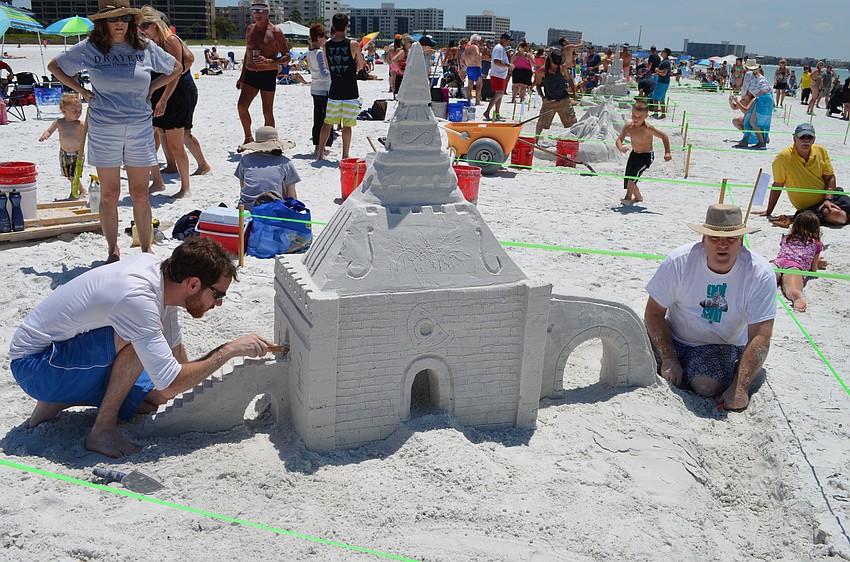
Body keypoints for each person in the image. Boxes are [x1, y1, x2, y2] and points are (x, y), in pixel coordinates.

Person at [8, 237, 275, 457]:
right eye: (218, 295)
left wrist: (189, 391)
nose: (218, 304)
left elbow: (173, 364)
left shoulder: (162, 275)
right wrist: (228, 350)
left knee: (155, 400)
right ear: (193, 284)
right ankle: (101, 431)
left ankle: (57, 400)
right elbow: (170, 381)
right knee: (138, 344)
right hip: (36, 366)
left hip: (58, 353)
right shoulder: (139, 300)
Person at [48, 0, 182, 263]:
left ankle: (146, 250)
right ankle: (113, 250)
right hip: (104, 128)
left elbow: (176, 68)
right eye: (112, 19)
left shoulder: (144, 46)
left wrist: (154, 88)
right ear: (102, 22)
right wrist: (83, 91)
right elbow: (55, 66)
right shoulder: (91, 47)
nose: (119, 24)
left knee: (140, 193)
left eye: (124, 19)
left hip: (139, 129)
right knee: (109, 194)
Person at [645, 204, 776, 411]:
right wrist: (669, 357)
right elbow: (653, 313)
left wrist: (740, 387)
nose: (722, 245)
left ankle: (711, 375)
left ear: (741, 242)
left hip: (720, 346)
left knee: (707, 386)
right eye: (714, 238)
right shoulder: (678, 261)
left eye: (730, 239)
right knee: (638, 358)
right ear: (703, 240)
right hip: (674, 336)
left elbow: (761, 335)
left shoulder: (760, 273)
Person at [139, 6, 194, 199]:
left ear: (156, 24)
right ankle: (158, 182)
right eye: (139, 26)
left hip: (174, 95)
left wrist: (162, 99)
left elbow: (175, 73)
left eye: (145, 25)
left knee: (175, 145)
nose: (142, 29)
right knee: (148, 140)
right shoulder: (150, 43)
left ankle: (185, 187)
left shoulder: (170, 40)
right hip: (157, 95)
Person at [755, 123, 848, 226]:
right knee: (839, 216)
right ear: (795, 139)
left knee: (842, 213)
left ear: (814, 139)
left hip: (830, 196)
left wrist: (828, 199)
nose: (806, 140)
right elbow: (778, 185)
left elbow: (830, 177)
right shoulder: (783, 157)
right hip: (810, 207)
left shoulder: (821, 151)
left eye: (810, 137)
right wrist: (769, 211)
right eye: (802, 137)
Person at [236, 0, 290, 149]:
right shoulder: (250, 29)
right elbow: (247, 54)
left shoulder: (275, 31)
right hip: (251, 74)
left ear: (267, 12)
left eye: (260, 10)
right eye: (254, 10)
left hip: (267, 74)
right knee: (242, 107)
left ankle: (271, 142)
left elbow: (287, 56)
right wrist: (242, 76)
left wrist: (269, 61)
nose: (257, 14)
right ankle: (248, 138)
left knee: (267, 111)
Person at [315, 13, 365, 161]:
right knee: (347, 125)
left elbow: (329, 67)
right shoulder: (353, 44)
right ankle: (345, 154)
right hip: (350, 90)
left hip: (334, 89)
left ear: (333, 26)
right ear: (346, 27)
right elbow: (361, 65)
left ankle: (320, 154)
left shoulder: (326, 45)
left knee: (328, 122)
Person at [615, 100, 672, 204]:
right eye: (634, 115)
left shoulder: (648, 128)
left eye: (639, 117)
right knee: (628, 179)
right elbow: (619, 139)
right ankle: (638, 197)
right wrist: (620, 147)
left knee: (633, 175)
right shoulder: (629, 126)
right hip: (634, 154)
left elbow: (664, 136)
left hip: (646, 156)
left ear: (646, 116)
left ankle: (627, 197)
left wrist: (667, 152)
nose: (636, 119)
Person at [771, 210, 823, 312]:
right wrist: (818, 264)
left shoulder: (786, 238)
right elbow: (813, 270)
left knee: (768, 274)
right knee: (792, 285)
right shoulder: (816, 244)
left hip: (779, 261)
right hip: (795, 265)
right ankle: (796, 295)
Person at [235, 126, 299, 208]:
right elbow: (291, 195)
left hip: (245, 209)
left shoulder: (245, 159)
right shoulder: (286, 162)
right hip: (271, 210)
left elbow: (243, 187)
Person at [38, 93, 86, 199]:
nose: (78, 113)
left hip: (78, 153)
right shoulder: (59, 122)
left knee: (74, 174)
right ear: (64, 111)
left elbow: (90, 132)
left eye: (80, 111)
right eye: (75, 111)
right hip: (64, 153)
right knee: (68, 175)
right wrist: (45, 135)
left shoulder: (81, 124)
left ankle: (77, 191)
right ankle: (80, 189)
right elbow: (49, 131)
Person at [534, 50, 576, 140]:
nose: (557, 65)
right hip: (549, 101)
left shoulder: (562, 68)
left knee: (572, 122)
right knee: (541, 123)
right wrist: (542, 97)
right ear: (551, 60)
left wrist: (573, 93)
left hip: (563, 100)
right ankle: (535, 140)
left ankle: (575, 142)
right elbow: (537, 85)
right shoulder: (542, 70)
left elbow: (570, 79)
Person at [306, 23, 334, 152]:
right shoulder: (319, 53)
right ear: (319, 37)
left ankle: (317, 146)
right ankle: (322, 147)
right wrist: (334, 74)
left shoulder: (309, 52)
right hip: (324, 89)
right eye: (324, 36)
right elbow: (324, 73)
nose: (326, 39)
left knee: (317, 119)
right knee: (326, 120)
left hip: (314, 88)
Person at [483, 33, 512, 122]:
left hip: (500, 75)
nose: (509, 42)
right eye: (508, 40)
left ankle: (497, 114)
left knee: (500, 94)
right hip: (497, 74)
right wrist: (508, 65)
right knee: (499, 93)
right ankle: (487, 112)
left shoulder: (501, 48)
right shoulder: (499, 48)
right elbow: (496, 61)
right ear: (504, 40)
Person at [650, 48, 672, 119]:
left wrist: (657, 70)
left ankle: (656, 113)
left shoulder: (665, 62)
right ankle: (663, 114)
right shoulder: (666, 61)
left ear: (666, 53)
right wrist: (656, 73)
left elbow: (664, 73)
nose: (661, 53)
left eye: (663, 52)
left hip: (662, 82)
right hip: (665, 82)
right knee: (662, 99)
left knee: (655, 97)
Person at [461, 34, 482, 105]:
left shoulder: (467, 48)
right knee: (479, 85)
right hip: (475, 67)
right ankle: (477, 101)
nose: (479, 43)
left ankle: (469, 100)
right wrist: (479, 64)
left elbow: (462, 59)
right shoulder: (475, 47)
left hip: (469, 68)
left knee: (470, 85)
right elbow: (477, 54)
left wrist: (466, 64)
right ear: (476, 41)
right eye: (478, 41)